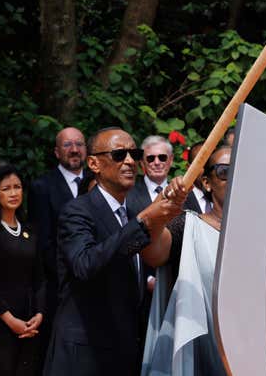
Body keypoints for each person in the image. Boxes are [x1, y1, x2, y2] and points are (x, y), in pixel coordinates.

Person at [43, 127, 187, 376]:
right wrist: (143, 222)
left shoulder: (130, 215)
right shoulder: (77, 211)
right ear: (94, 163)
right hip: (85, 354)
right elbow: (84, 265)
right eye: (119, 154)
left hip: (125, 351)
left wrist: (160, 218)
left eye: (134, 153)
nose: (130, 160)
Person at [141, 146, 232, 375]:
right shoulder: (189, 226)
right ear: (207, 182)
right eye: (224, 171)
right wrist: (163, 205)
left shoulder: (262, 234)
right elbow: (154, 253)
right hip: (201, 353)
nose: (234, 177)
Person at [0, 165, 46, 376]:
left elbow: (40, 277)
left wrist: (39, 313)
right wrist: (9, 319)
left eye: (17, 187)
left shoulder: (30, 230)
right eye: (6, 188)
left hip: (30, 321)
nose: (14, 193)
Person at [28, 126, 87, 348]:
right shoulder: (41, 187)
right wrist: (71, 275)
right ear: (56, 152)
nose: (74, 150)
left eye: (79, 144)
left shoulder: (98, 183)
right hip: (61, 286)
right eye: (67, 145)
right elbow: (43, 242)